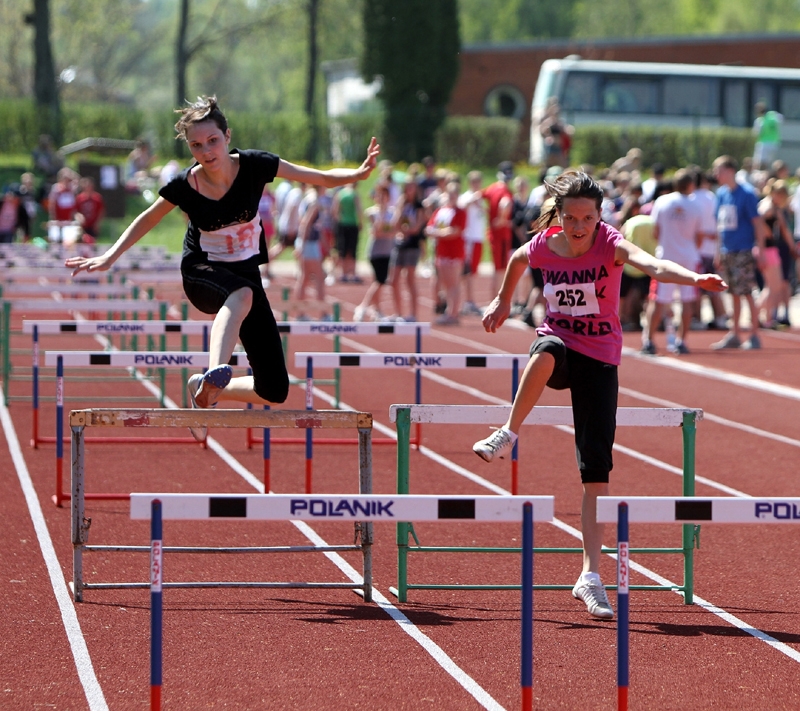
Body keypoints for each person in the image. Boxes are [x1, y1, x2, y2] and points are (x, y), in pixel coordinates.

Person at [471, 171, 726, 619]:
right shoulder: (545, 246)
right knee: (547, 348)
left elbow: (653, 265)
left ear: (598, 216)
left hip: (601, 358)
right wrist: (502, 300)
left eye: (586, 218)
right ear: (560, 216)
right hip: (561, 345)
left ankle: (590, 575)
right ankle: (508, 433)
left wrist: (694, 279)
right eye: (570, 218)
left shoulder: (610, 243)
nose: (578, 227)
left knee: (595, 473)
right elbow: (515, 259)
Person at [65, 95, 379, 439]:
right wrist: (110, 256)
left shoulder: (256, 166)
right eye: (196, 145)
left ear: (227, 136)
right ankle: (217, 367)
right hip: (202, 272)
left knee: (274, 389)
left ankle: (209, 388)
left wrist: (358, 173)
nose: (206, 151)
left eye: (213, 141)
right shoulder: (186, 185)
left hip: (244, 273)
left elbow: (316, 178)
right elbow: (148, 218)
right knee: (241, 294)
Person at [641, 169, 703, 355]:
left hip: (666, 257)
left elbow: (655, 231)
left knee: (658, 300)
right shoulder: (696, 206)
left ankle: (649, 340)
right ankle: (681, 341)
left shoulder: (662, 201)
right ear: (691, 185)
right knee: (686, 301)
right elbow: (699, 236)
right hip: (688, 258)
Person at [711, 155, 768, 350]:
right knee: (733, 292)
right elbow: (719, 226)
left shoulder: (747, 193)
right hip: (727, 250)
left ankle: (754, 334)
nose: (716, 175)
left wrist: (760, 249)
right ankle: (734, 332)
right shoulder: (721, 194)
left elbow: (757, 223)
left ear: (730, 171)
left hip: (743, 249)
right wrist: (718, 252)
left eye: (718, 170)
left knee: (746, 292)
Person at [425, 182, 466, 325]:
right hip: (441, 252)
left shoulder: (460, 212)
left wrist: (437, 233)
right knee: (446, 283)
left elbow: (455, 231)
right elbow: (429, 227)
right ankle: (449, 311)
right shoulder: (440, 211)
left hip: (454, 252)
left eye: (455, 195)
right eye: (450, 194)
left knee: (454, 283)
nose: (452, 197)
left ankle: (453, 313)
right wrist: (439, 233)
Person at [354, 182, 395, 322]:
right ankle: (363, 306)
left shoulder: (393, 212)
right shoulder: (371, 212)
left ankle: (377, 310)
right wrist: (382, 216)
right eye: (379, 195)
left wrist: (386, 230)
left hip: (388, 250)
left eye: (384, 196)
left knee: (378, 281)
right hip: (376, 251)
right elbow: (377, 232)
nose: (382, 198)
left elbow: (392, 232)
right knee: (380, 280)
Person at [388, 176, 425, 322]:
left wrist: (405, 229)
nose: (409, 190)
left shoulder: (419, 206)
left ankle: (413, 314)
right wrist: (400, 208)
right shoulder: (402, 204)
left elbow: (416, 228)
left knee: (410, 280)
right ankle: (398, 313)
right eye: (407, 187)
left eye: (411, 187)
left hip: (412, 246)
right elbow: (394, 224)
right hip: (399, 244)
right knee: (393, 280)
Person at [458, 171, 487, 316]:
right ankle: (466, 300)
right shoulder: (466, 196)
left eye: (478, 182)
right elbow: (461, 207)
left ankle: (470, 300)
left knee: (474, 270)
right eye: (474, 182)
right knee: (466, 270)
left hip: (478, 237)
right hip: (468, 237)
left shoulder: (481, 198)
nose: (477, 184)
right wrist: (472, 201)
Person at [483, 161, 514, 295]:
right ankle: (497, 300)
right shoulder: (506, 192)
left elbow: (478, 196)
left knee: (497, 268)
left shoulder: (492, 188)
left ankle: (495, 299)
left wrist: (487, 211)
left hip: (493, 234)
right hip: (501, 235)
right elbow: (505, 204)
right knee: (501, 270)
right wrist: (502, 219)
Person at [331, 182, 362, 283]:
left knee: (342, 250)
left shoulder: (340, 194)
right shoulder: (354, 194)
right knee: (353, 250)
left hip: (342, 224)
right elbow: (359, 210)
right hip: (353, 224)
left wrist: (340, 221)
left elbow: (335, 210)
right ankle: (352, 273)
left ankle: (343, 273)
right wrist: (360, 222)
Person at [752, 102, 783, 170]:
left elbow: (756, 133)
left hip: (764, 143)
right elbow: (781, 119)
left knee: (761, 162)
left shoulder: (760, 120)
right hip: (775, 143)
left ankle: (760, 176)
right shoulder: (773, 115)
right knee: (772, 164)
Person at [75, 176, 105, 243]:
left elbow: (101, 211)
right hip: (83, 225)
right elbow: (76, 211)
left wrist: (97, 224)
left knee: (92, 242)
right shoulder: (79, 198)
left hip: (93, 225)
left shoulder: (97, 198)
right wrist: (79, 217)